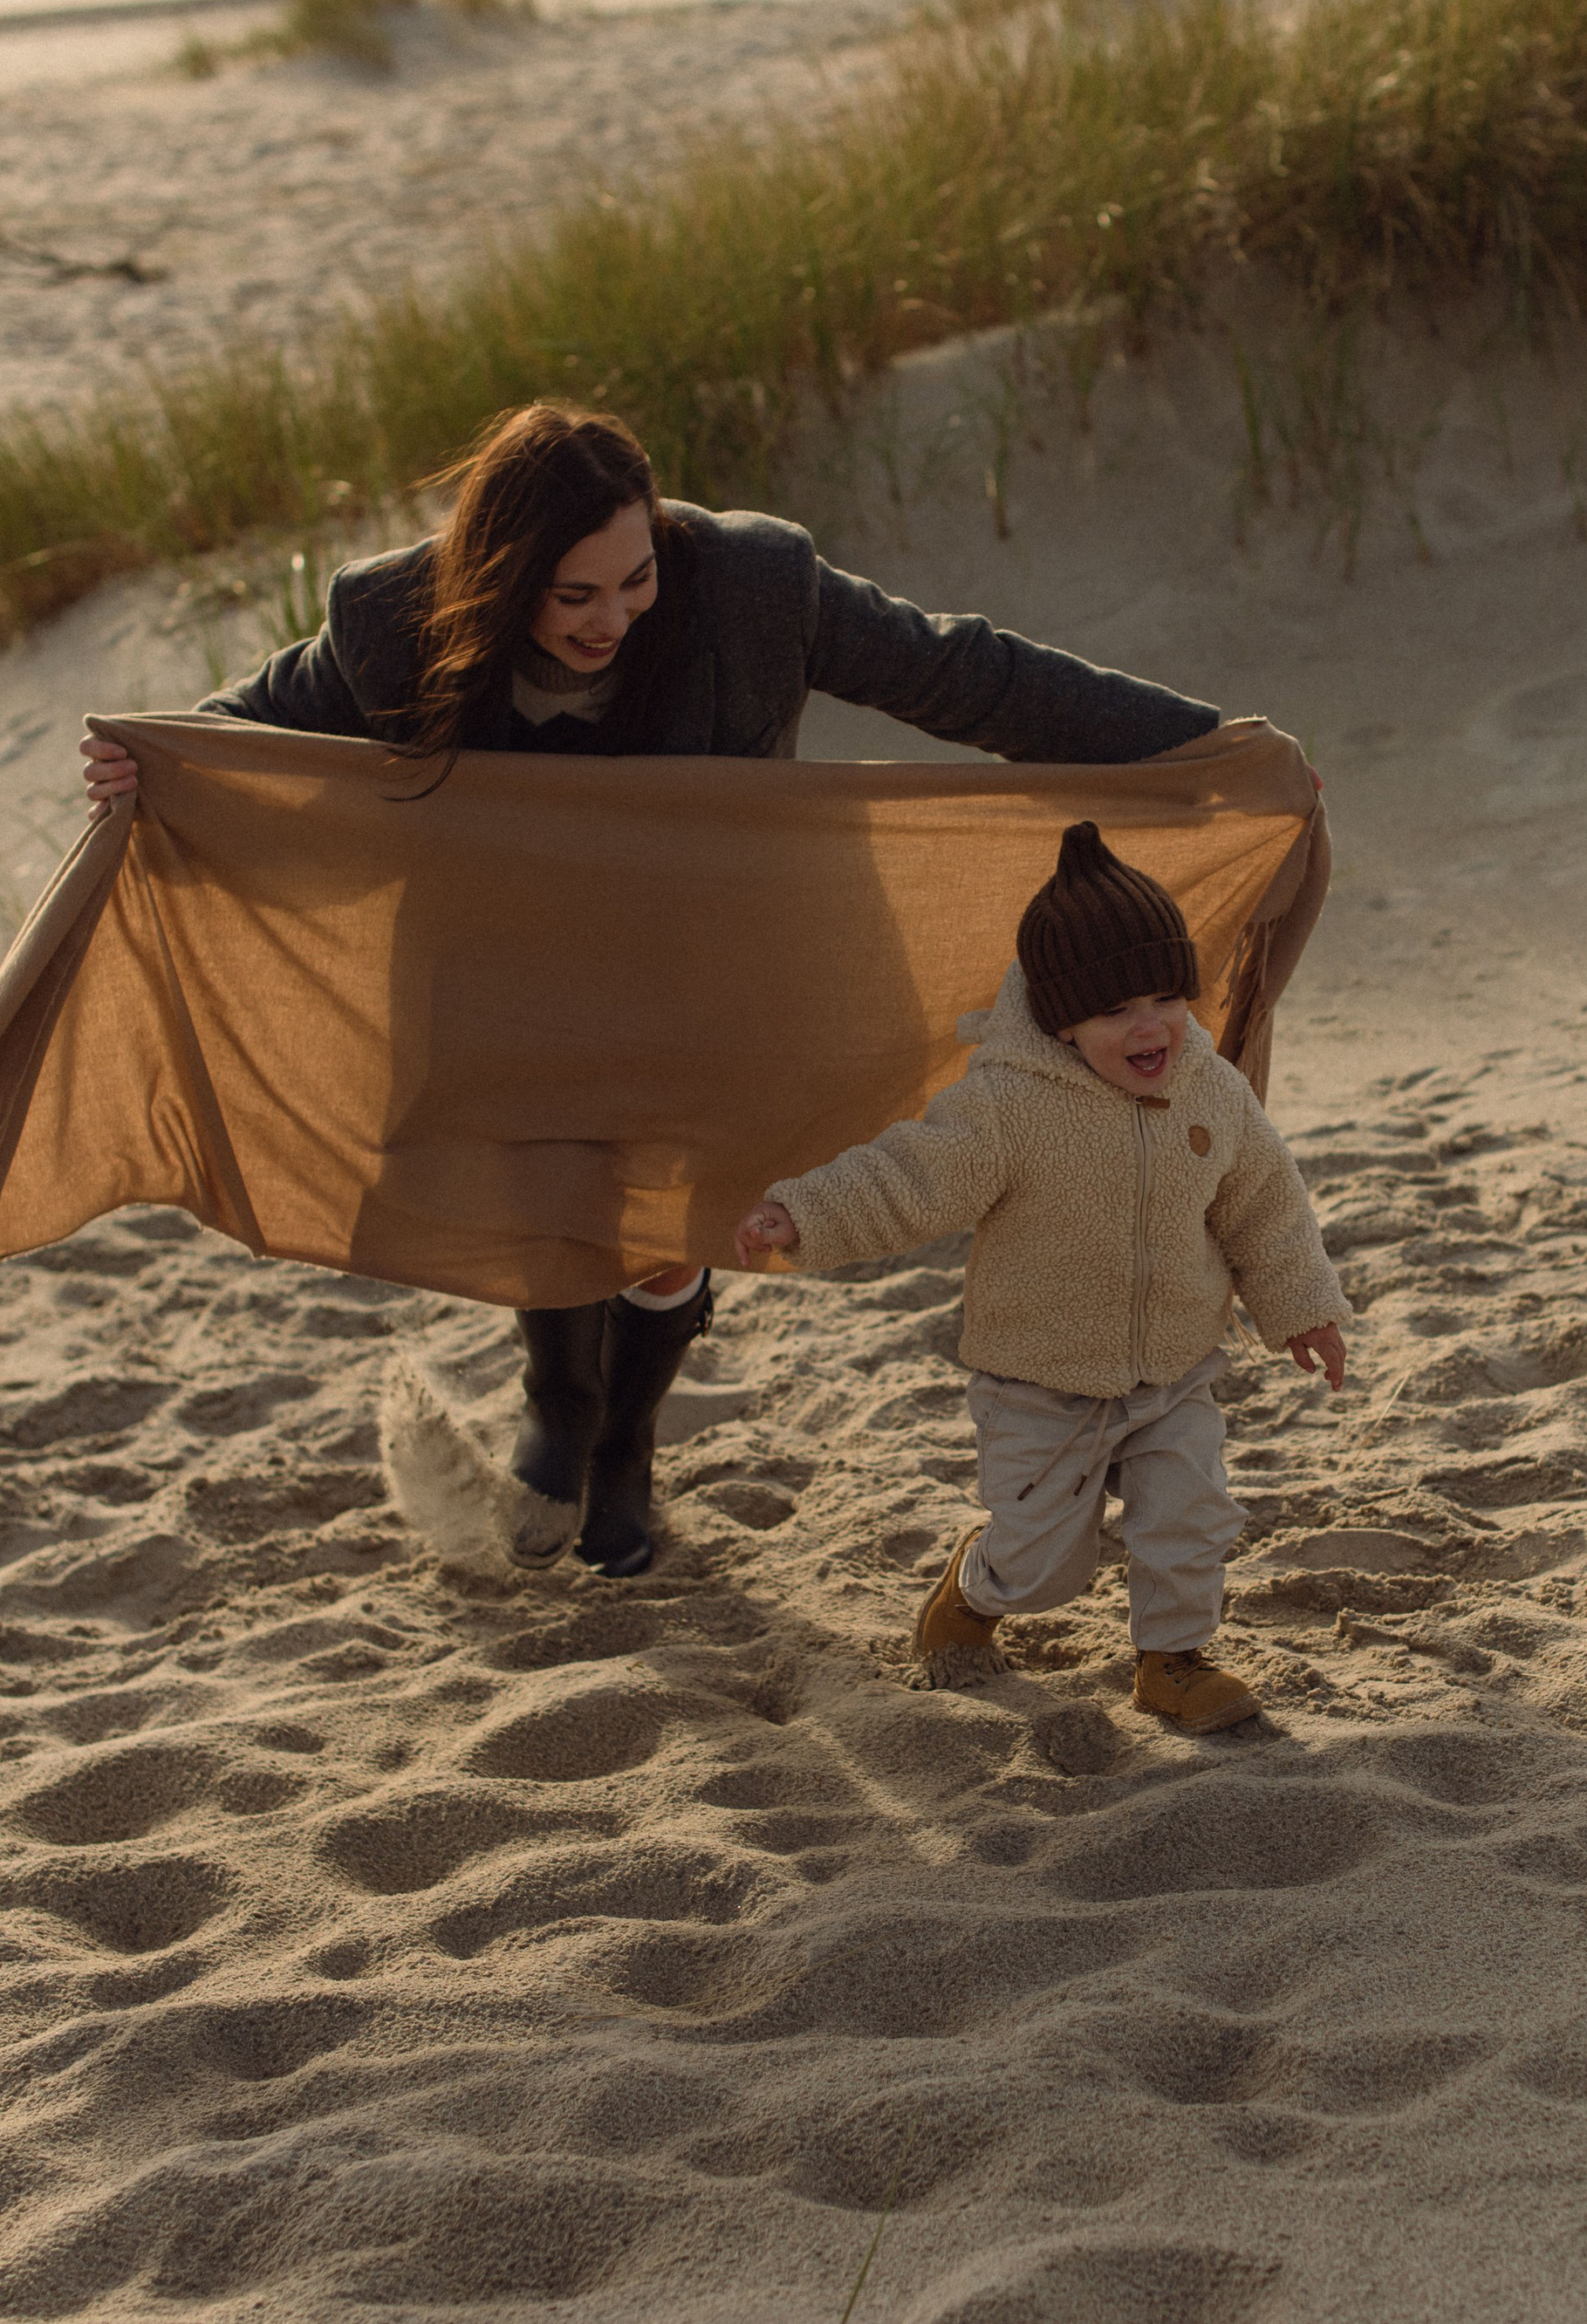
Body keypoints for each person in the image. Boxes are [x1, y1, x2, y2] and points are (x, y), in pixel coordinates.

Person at [79, 404, 1225, 1580]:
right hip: (502, 974)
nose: (613, 616)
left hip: (707, 965)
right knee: (552, 1200)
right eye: (574, 595)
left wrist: (1191, 746)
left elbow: (965, 673)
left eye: (634, 580)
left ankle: (624, 1445)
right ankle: (560, 1404)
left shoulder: (753, 583)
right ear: (500, 573)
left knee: (673, 1226)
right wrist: (148, 764)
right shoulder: (391, 619)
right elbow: (242, 738)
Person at [736, 820, 1346, 1733]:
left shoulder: (1211, 1089)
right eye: (1112, 1012)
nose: (1148, 1027)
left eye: (1162, 998)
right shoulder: (1008, 1105)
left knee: (1190, 1517)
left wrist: (1301, 1308)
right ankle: (974, 1592)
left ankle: (1172, 1661)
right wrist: (807, 1213)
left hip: (1173, 1370)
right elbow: (910, 1175)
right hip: (1038, 1382)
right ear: (1061, 1021)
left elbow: (1262, 1202)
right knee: (1042, 1567)